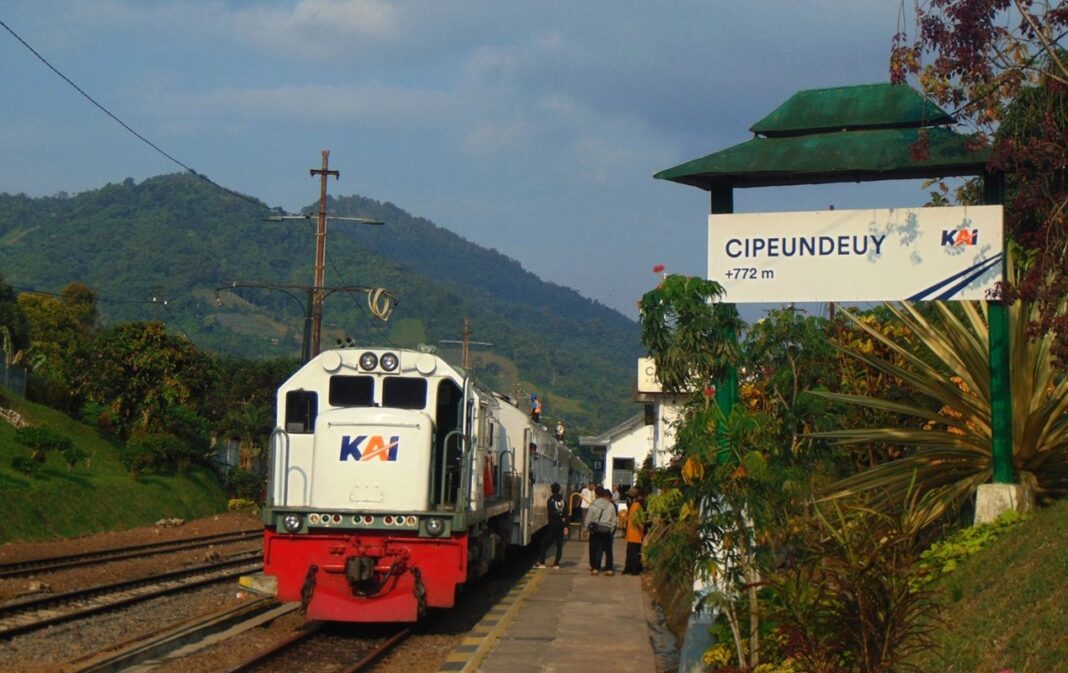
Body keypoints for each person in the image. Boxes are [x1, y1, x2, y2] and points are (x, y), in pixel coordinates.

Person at [535, 482, 569, 568]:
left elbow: (551, 513)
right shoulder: (564, 501)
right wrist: (566, 526)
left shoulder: (550, 501)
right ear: (559, 490)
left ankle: (542, 563)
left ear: (552, 490)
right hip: (561, 525)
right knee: (559, 545)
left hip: (552, 525)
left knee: (544, 543)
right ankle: (556, 564)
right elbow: (566, 514)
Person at [584, 487, 617, 575]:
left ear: (596, 494)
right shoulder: (611, 505)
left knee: (597, 549)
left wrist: (585, 529)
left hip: (596, 530)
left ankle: (596, 568)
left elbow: (588, 519)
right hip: (607, 530)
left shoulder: (593, 505)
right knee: (608, 550)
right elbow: (614, 520)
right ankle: (609, 568)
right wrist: (611, 530)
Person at [623, 487, 645, 575]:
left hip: (635, 533)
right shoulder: (635, 505)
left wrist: (641, 530)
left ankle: (634, 570)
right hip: (633, 533)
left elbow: (638, 520)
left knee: (633, 553)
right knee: (631, 552)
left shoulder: (635, 505)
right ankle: (630, 569)